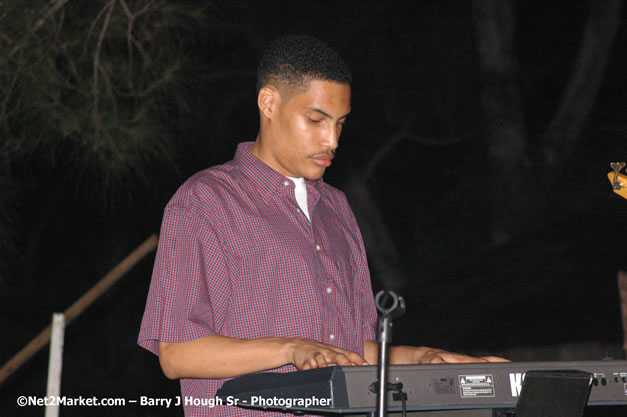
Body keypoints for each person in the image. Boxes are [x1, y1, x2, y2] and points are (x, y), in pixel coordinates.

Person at [138, 34, 506, 417]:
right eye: (315, 119)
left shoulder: (337, 209)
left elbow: (349, 348)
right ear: (269, 103)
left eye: (340, 123)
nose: (332, 140)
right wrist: (291, 348)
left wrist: (423, 356)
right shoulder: (204, 201)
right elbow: (177, 353)